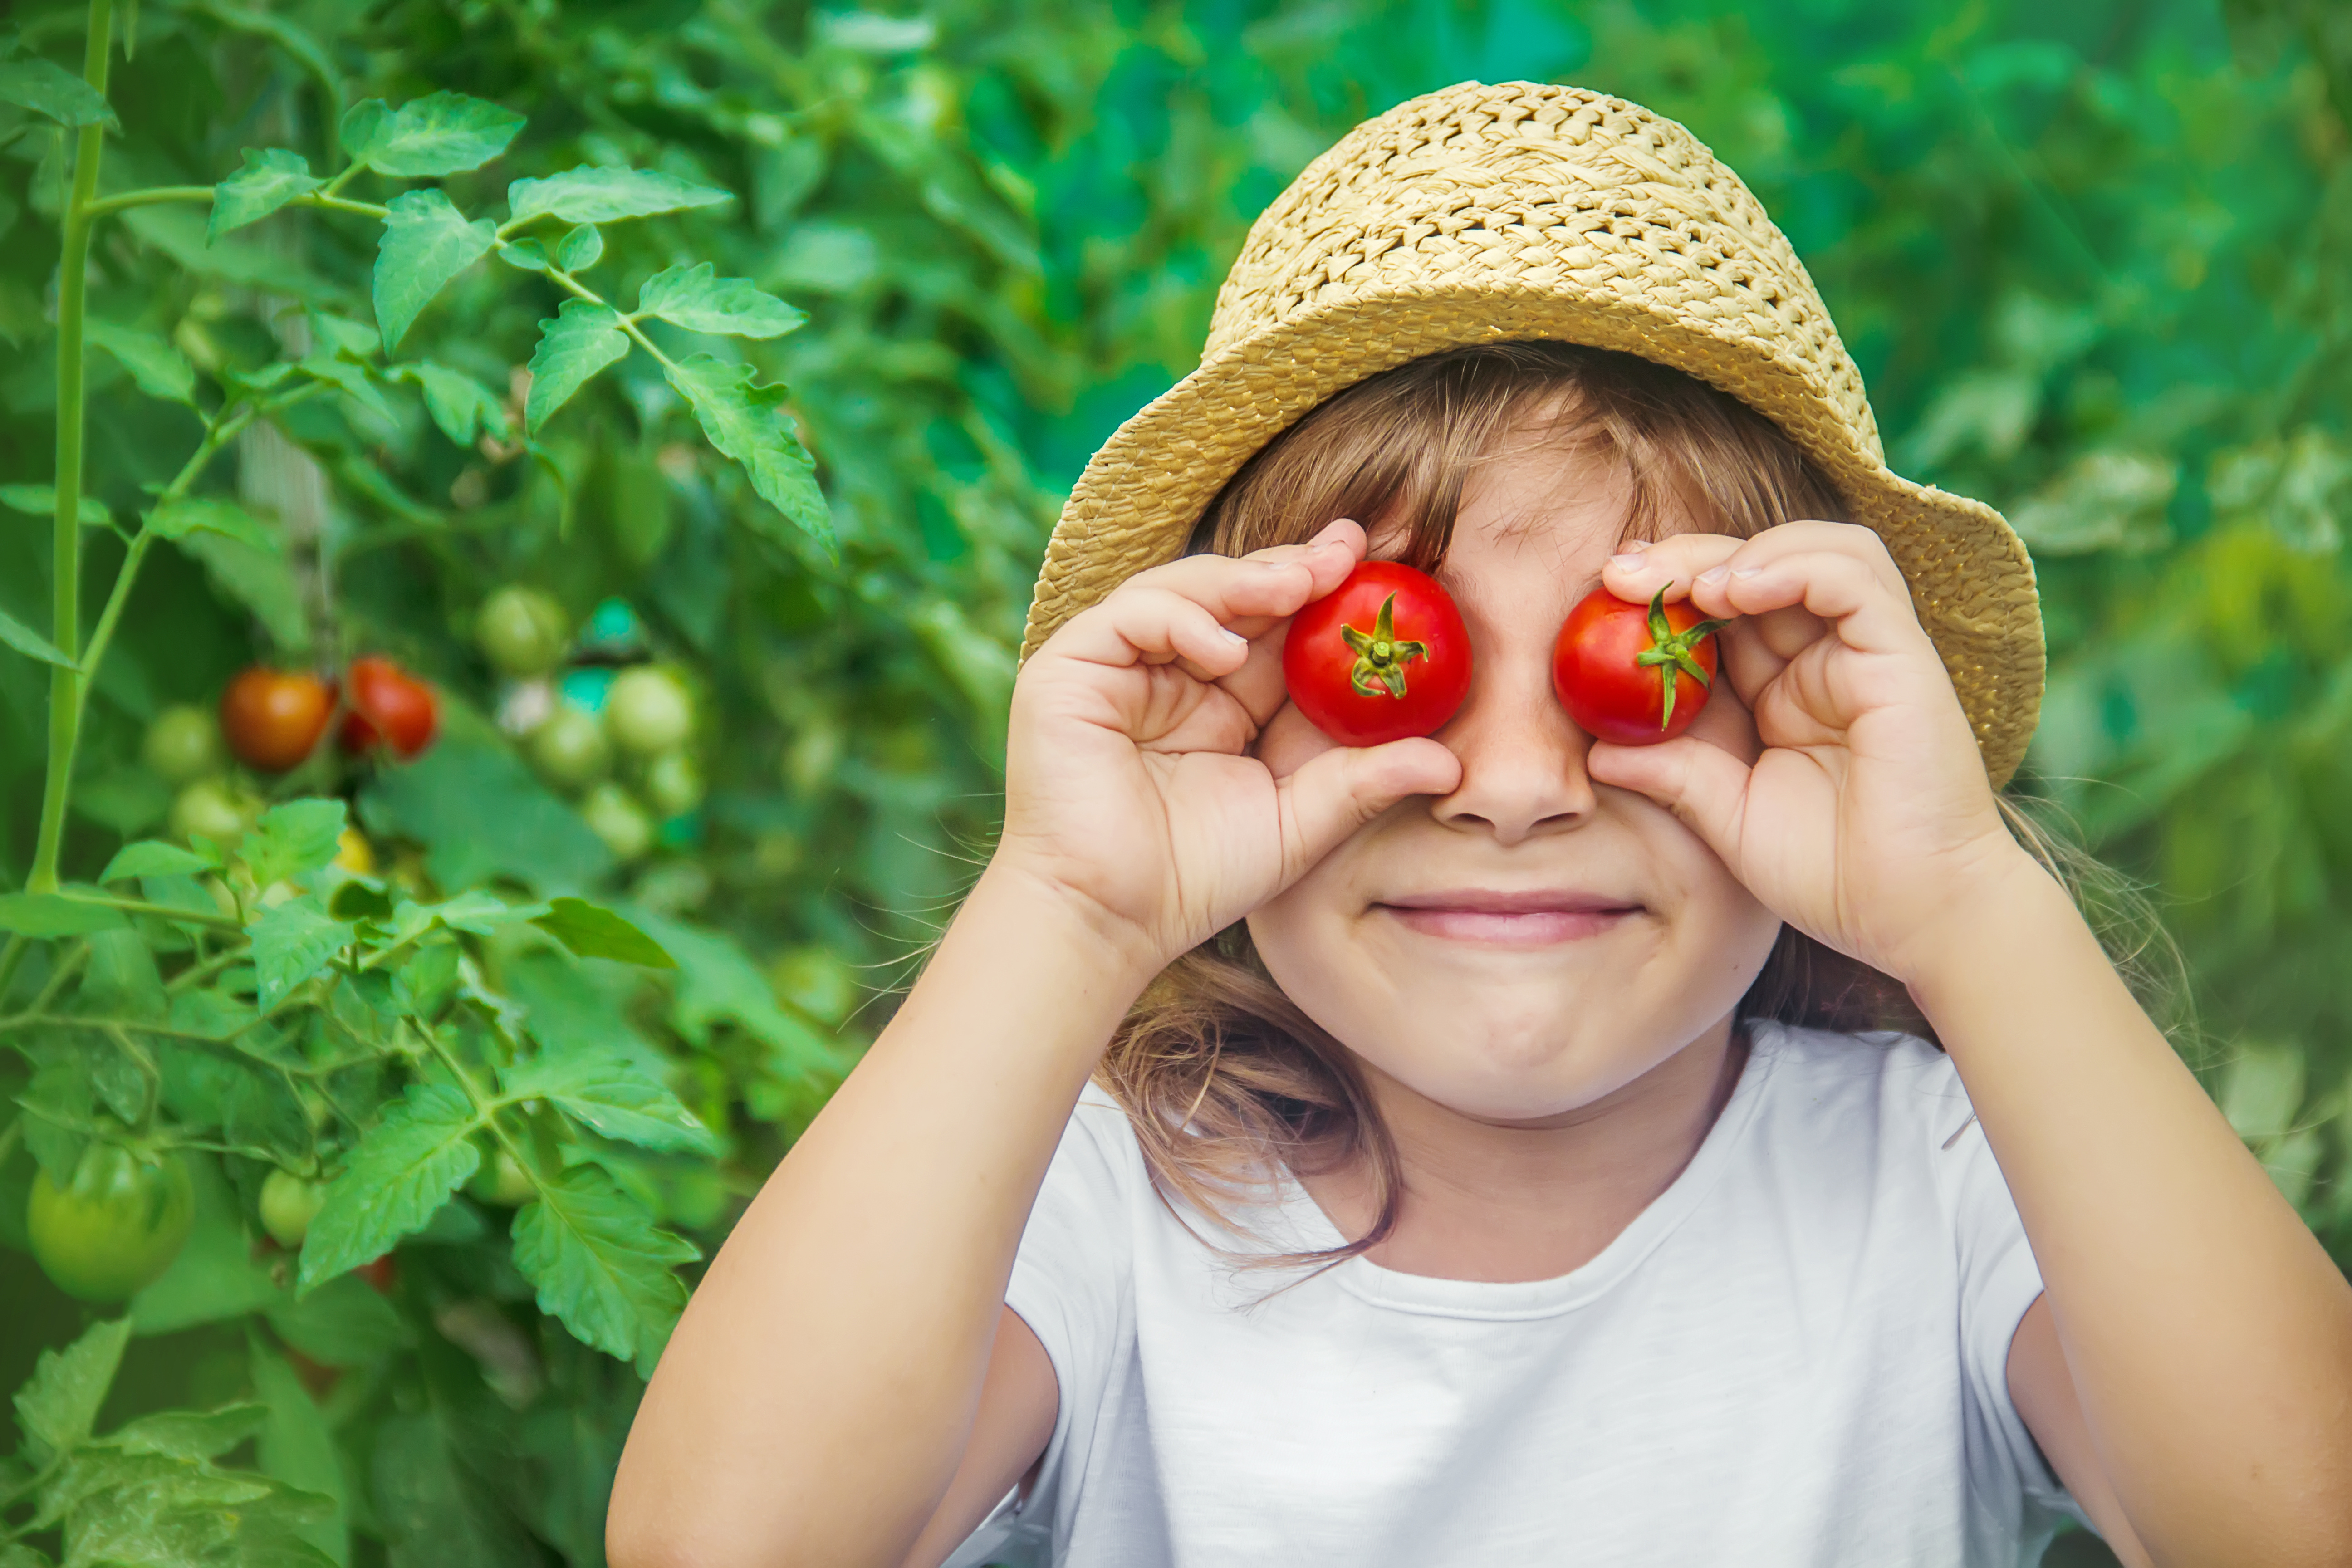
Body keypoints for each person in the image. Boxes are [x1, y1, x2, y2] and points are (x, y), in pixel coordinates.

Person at [606, 82, 2352, 1568]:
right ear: (1232, 709)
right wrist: (1065, 905)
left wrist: (1966, 900)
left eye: (1644, 667)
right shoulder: (1106, 1212)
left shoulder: (1950, 1182)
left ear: (1807, 722)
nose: (1516, 790)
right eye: (1393, 669)